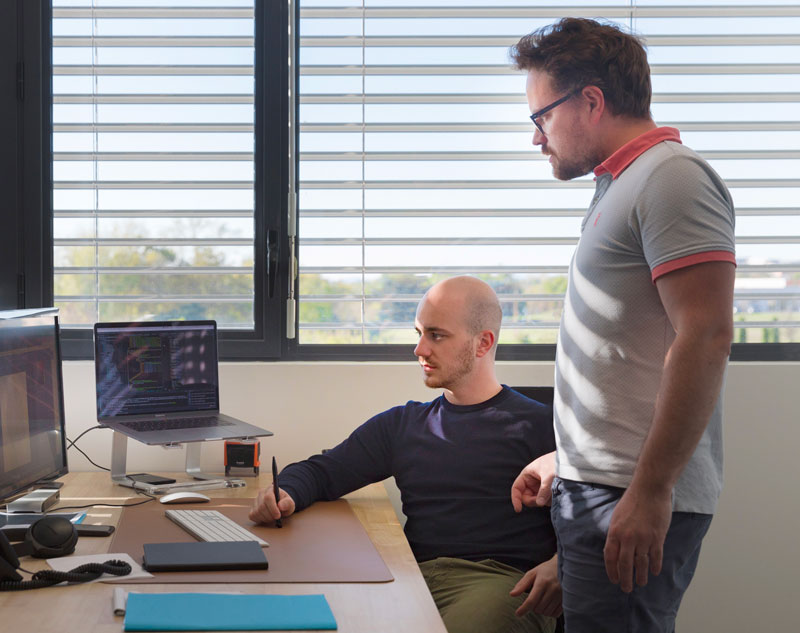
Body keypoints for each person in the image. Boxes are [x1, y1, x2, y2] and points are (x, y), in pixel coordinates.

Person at [507, 18, 736, 633]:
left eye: (541, 117)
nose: (537, 137)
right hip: (599, 485)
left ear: (590, 101)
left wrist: (652, 490)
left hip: (629, 494)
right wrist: (569, 458)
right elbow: (624, 352)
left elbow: (706, 336)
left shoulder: (673, 179)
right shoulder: (621, 186)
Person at [250, 276, 561, 633]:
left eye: (436, 335)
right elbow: (323, 471)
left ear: (483, 342)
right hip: (412, 577)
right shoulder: (404, 424)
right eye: (419, 334)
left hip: (498, 583)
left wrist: (561, 564)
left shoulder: (543, 426)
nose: (420, 349)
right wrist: (285, 493)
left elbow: (600, 511)